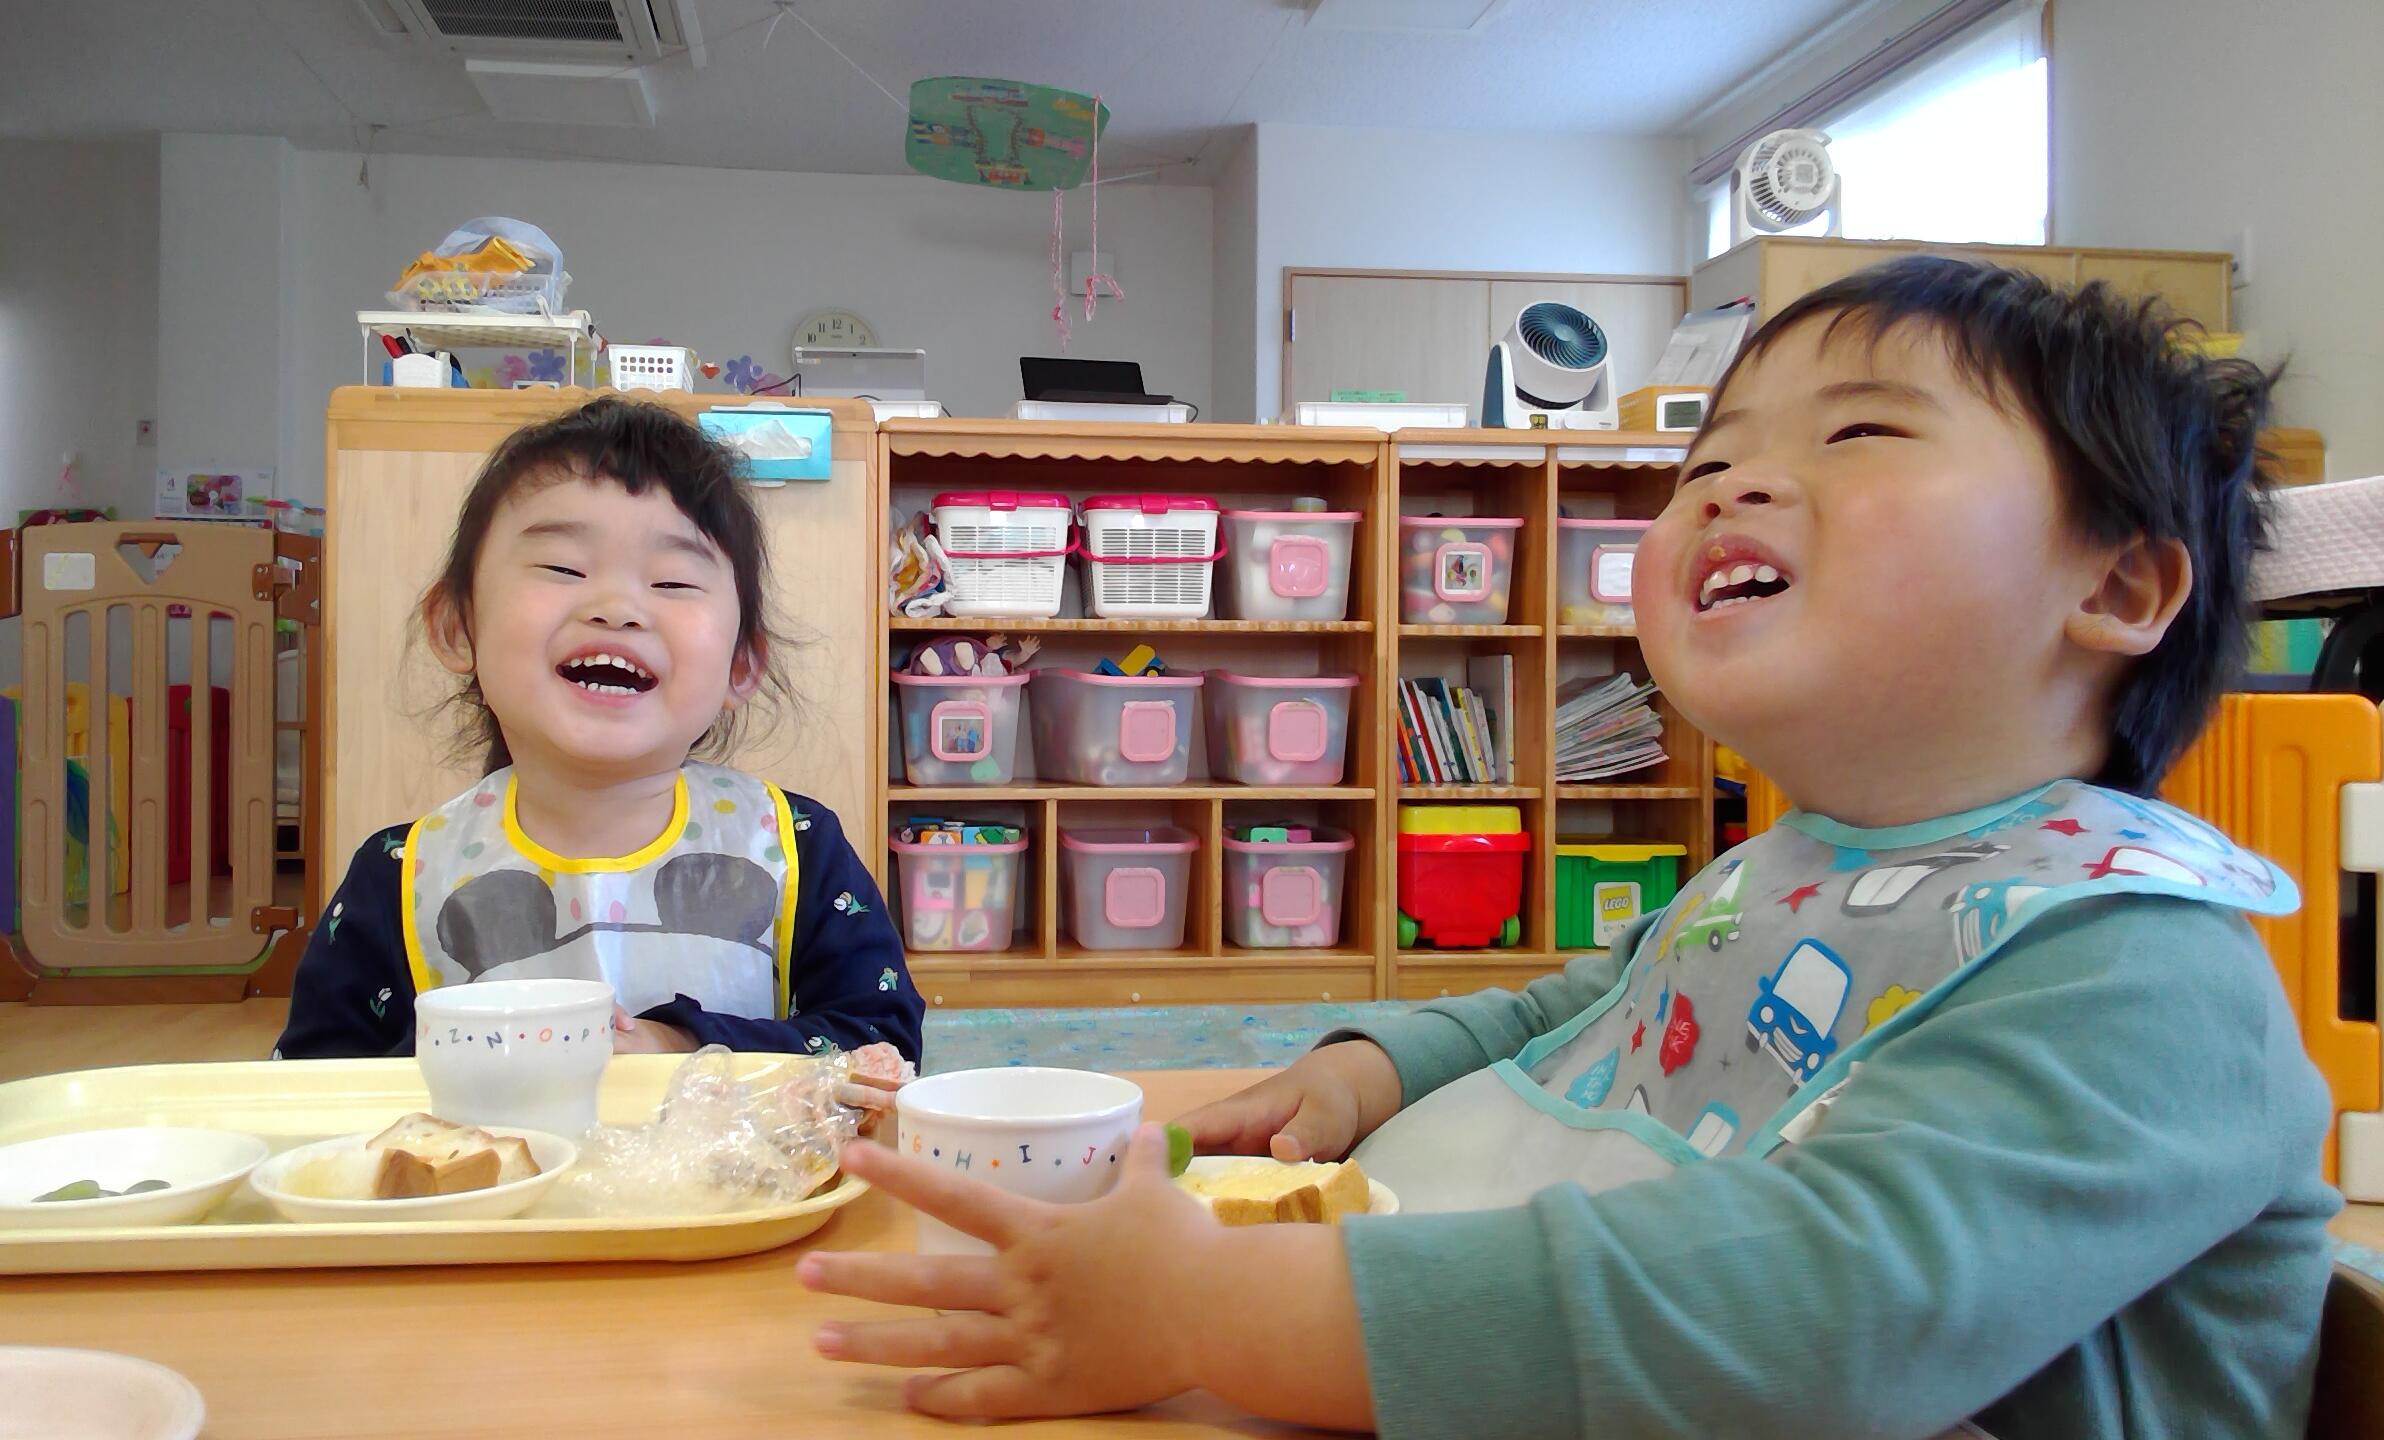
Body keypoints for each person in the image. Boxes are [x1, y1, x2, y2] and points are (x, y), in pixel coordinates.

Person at [799, 257, 2337, 1438]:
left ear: (2124, 588)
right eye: (1705, 459)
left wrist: (1213, 1310)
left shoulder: (2132, 967)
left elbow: (1817, 1321)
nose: (1728, 482)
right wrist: (1370, 1072)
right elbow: (1596, 1010)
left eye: (1862, 430)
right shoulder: (1793, 866)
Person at [277, 398, 922, 1076]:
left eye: (672, 580)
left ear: (741, 664)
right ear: (457, 626)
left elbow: (882, 1046)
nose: (616, 607)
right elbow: (311, 1084)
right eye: (563, 568)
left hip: (731, 1181)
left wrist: (688, 1046)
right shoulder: (402, 875)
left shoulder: (794, 847)